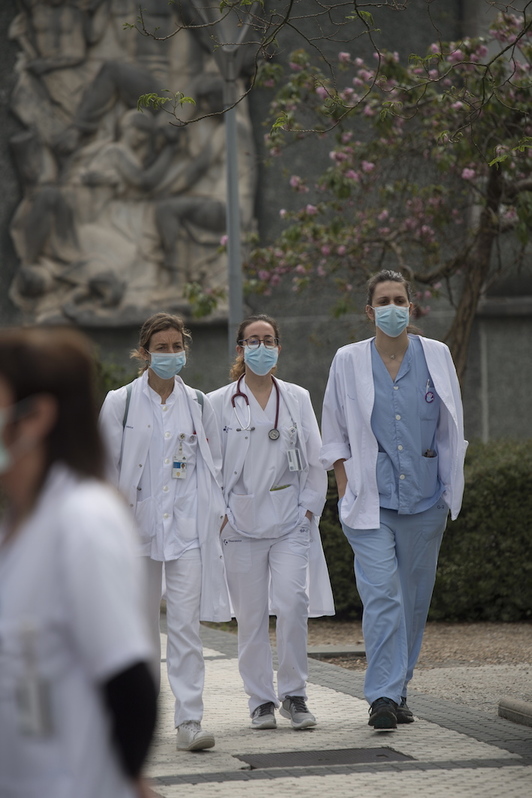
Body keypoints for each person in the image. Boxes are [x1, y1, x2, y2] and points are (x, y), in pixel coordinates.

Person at [0, 326, 157, 798]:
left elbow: (129, 683)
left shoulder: (84, 520)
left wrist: (126, 780)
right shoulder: (16, 527)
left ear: (34, 417)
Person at [320, 269, 467, 730]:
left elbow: (451, 423)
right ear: (369, 311)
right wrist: (345, 483)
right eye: (383, 300)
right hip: (369, 501)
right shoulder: (348, 360)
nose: (392, 307)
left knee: (413, 600)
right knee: (382, 593)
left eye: (399, 299)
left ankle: (399, 687)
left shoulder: (437, 356)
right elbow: (334, 430)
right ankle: (382, 696)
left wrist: (446, 491)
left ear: (411, 306)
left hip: (425, 501)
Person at [99, 312, 230, 751]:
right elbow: (104, 471)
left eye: (178, 347)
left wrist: (219, 508)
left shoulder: (198, 403)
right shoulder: (121, 402)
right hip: (135, 533)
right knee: (139, 631)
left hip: (188, 530)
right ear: (144, 352)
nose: (171, 354)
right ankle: (141, 722)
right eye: (162, 348)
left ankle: (189, 722)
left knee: (185, 628)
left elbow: (215, 464)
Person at [208, 314, 334, 731]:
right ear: (240, 350)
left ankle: (295, 695)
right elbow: (209, 467)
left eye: (268, 340)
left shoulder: (296, 396)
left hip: (289, 522)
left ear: (278, 347)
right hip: (240, 525)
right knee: (251, 615)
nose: (261, 348)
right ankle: (260, 700)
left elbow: (316, 458)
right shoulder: (217, 402)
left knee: (294, 603)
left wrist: (310, 509)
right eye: (252, 341)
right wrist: (221, 516)